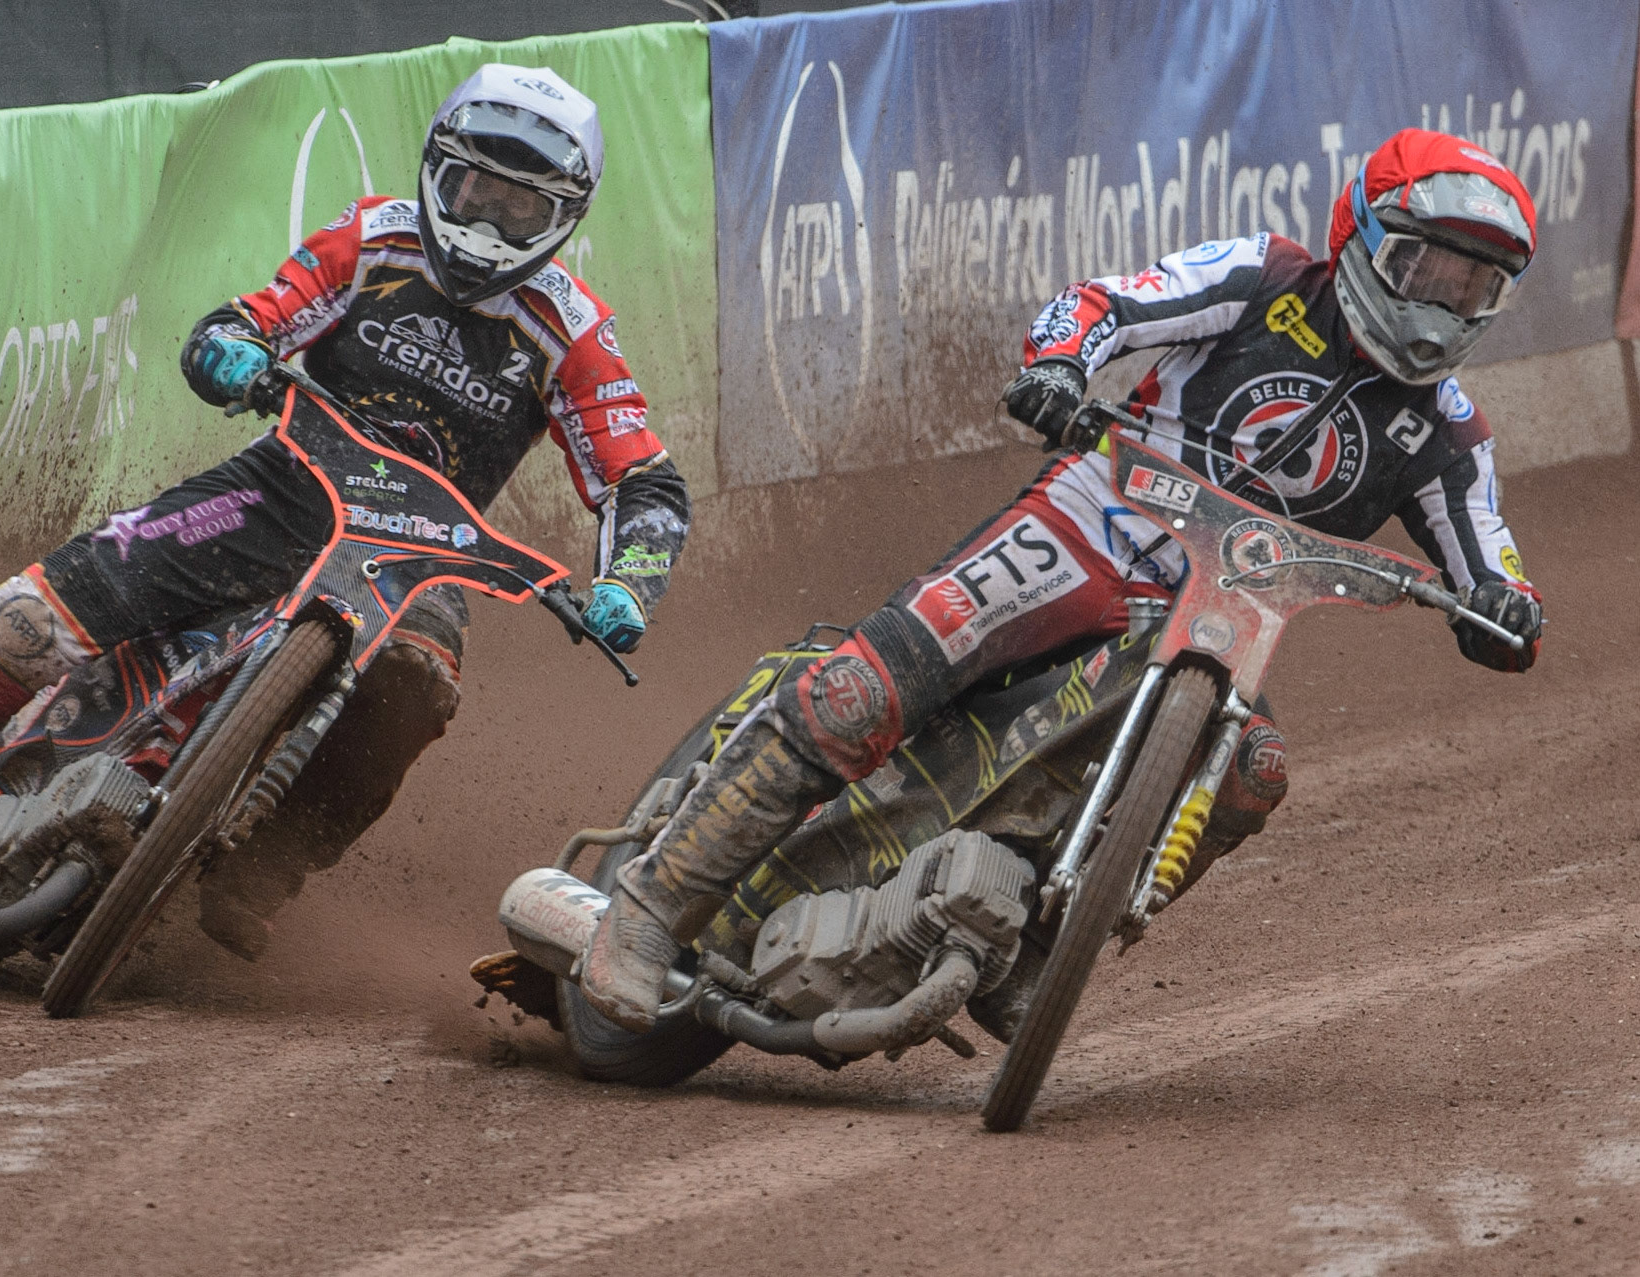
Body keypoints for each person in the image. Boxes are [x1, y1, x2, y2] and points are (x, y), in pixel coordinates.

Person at [580, 127, 1544, 1035]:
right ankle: (653, 905)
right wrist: (1058, 363)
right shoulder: (1264, 276)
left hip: (1222, 613)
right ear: (1365, 239)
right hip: (1098, 519)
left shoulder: (1449, 434)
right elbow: (1106, 302)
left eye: (1471, 287)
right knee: (860, 689)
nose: (1439, 306)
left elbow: (1492, 563)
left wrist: (1505, 609)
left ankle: (1047, 939)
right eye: (1426, 269)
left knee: (1253, 770)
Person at [0, 64, 690, 960]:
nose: (489, 218)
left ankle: (265, 869)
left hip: (421, 559)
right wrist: (231, 349)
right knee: (29, 621)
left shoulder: (571, 331)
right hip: (279, 489)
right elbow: (254, 314)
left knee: (415, 680)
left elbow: (641, 479)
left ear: (562, 217)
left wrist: (630, 581)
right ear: (438, 167)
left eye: (519, 205)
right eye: (475, 187)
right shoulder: (374, 239)